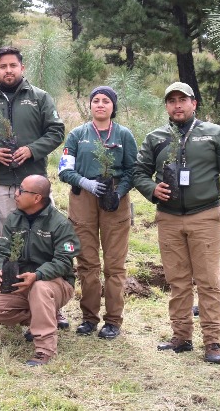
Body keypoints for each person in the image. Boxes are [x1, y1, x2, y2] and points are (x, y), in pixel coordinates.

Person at [133, 81, 220, 364]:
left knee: (208, 281)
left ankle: (213, 341)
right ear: (166, 107)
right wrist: (151, 189)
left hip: (204, 216)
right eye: (171, 101)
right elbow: (138, 172)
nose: (177, 105)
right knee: (177, 281)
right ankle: (181, 337)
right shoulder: (155, 137)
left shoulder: (214, 134)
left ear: (193, 103)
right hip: (168, 219)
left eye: (182, 100)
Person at [0, 46, 67, 327]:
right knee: (7, 240)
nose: (8, 70)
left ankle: (52, 304)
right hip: (0, 183)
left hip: (34, 184)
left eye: (13, 65)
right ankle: (12, 297)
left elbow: (56, 131)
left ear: (22, 68)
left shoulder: (39, 98)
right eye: (3, 66)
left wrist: (32, 150)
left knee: (44, 241)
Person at [58, 86, 137, 339]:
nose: (100, 104)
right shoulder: (77, 135)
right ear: (90, 105)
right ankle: (89, 318)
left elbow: (133, 170)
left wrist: (119, 192)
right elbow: (64, 170)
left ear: (113, 106)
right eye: (96, 101)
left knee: (114, 264)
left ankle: (113, 320)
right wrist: (85, 183)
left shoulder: (123, 135)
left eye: (106, 101)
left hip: (115, 198)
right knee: (87, 261)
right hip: (83, 198)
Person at [0, 175, 80, 366]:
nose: (16, 193)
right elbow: (2, 251)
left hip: (55, 283)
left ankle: (45, 349)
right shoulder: (14, 218)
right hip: (21, 281)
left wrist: (37, 275)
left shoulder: (59, 223)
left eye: (21, 190)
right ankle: (42, 316)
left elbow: (63, 262)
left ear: (37, 198)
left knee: (39, 288)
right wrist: (2, 269)